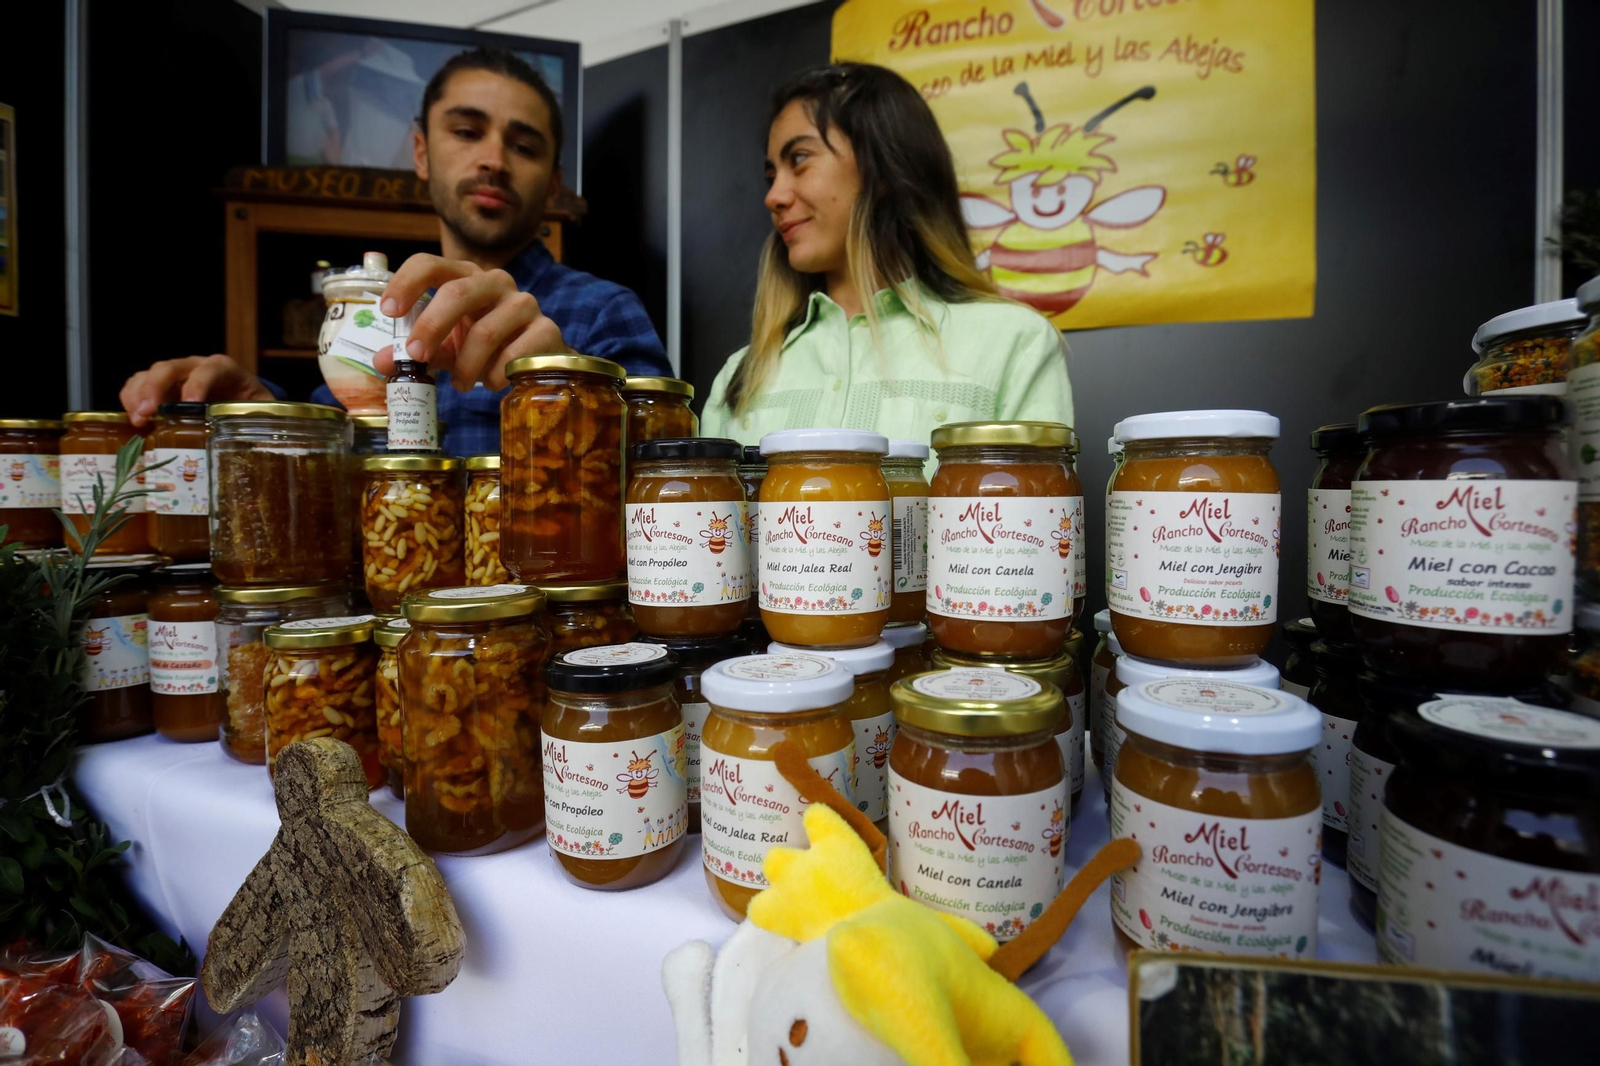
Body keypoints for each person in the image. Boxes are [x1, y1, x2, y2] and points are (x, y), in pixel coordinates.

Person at [120, 47, 670, 455]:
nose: (494, 160)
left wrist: (566, 383)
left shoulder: (605, 310)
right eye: (466, 131)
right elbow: (336, 432)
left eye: (523, 146)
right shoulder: (384, 309)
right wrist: (263, 407)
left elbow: (662, 467)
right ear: (421, 153)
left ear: (552, 184)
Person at [698, 63, 1073, 445]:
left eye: (799, 159)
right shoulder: (739, 375)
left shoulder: (1013, 343)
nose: (773, 197)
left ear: (883, 170)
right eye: (771, 176)